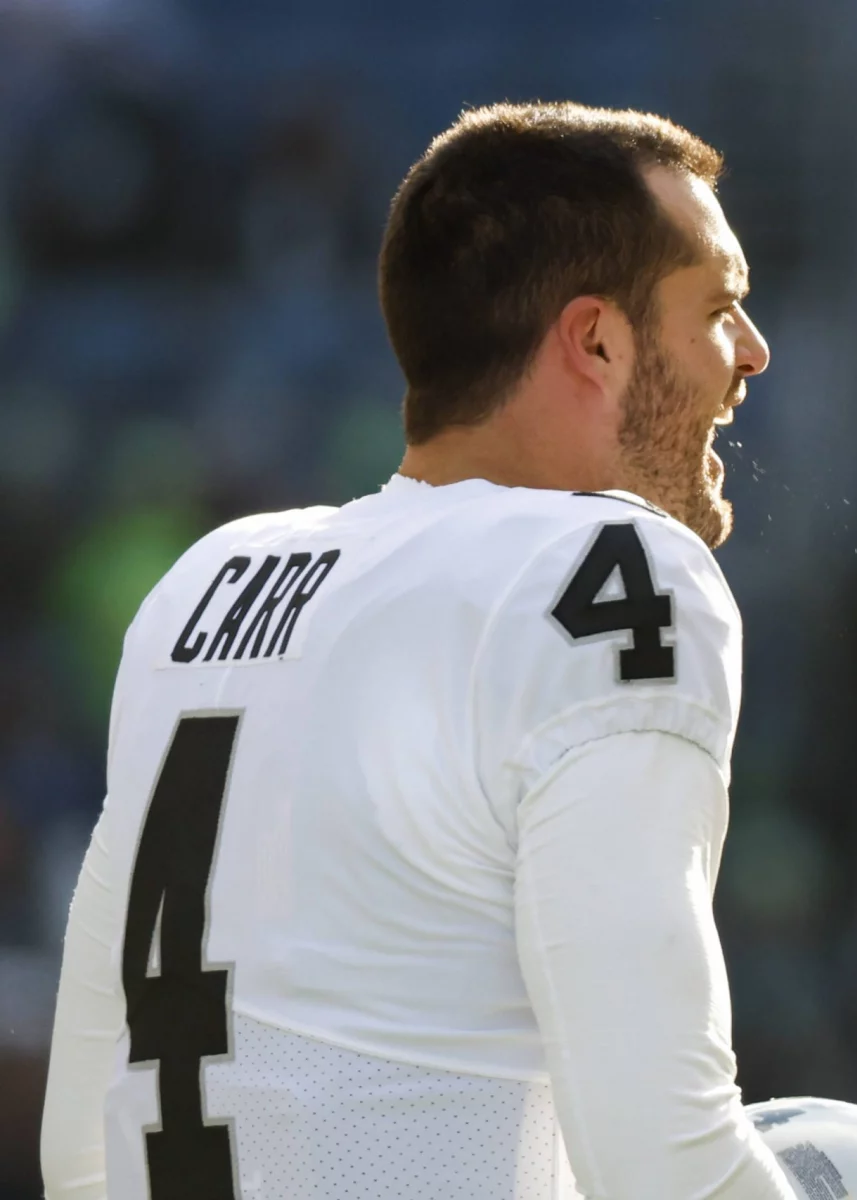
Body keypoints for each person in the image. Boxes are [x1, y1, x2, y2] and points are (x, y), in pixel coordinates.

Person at [39, 102, 796, 1200]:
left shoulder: (208, 584)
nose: (753, 353)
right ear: (595, 340)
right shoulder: (614, 569)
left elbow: (84, 1152)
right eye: (719, 307)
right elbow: (663, 1157)